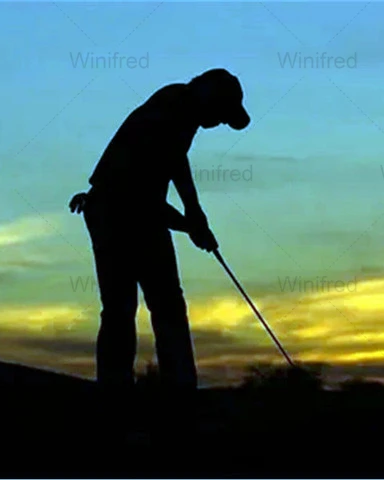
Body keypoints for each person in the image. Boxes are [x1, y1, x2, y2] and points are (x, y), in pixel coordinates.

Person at [68, 68, 251, 395]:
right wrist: (191, 222)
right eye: (222, 114)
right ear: (208, 96)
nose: (219, 123)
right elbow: (138, 194)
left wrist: (193, 214)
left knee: (156, 305)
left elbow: (175, 162)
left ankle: (171, 388)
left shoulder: (181, 109)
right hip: (116, 210)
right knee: (130, 307)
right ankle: (128, 392)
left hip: (129, 208)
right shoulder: (172, 107)